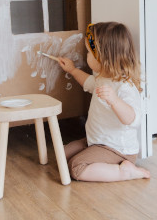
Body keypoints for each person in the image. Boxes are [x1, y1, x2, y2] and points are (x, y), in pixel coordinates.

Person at [58, 22, 150, 182]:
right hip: (96, 140)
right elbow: (88, 82)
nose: (86, 55)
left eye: (89, 52)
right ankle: (106, 164)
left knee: (76, 167)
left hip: (118, 150)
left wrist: (114, 100)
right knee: (61, 154)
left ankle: (125, 172)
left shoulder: (124, 86)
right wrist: (72, 70)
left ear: (104, 57)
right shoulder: (103, 78)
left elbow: (133, 119)